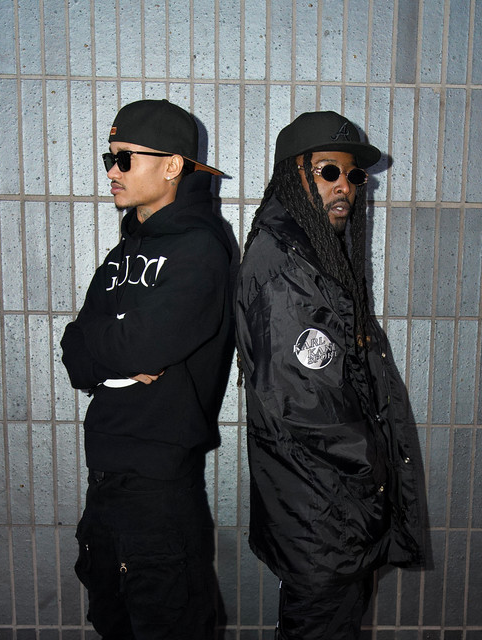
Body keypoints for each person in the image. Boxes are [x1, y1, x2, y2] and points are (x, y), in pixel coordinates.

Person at [235, 111, 426, 639]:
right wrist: (375, 472)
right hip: (323, 511)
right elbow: (303, 399)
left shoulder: (310, 250)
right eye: (328, 171)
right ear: (293, 175)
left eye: (354, 175)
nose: (345, 186)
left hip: (326, 508)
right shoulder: (287, 265)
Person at [61, 99, 233, 640]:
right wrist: (108, 354)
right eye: (108, 158)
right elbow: (73, 350)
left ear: (172, 165)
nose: (111, 171)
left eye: (125, 158)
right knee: (113, 624)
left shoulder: (201, 248)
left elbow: (141, 344)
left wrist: (108, 346)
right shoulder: (124, 250)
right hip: (104, 477)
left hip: (159, 487)